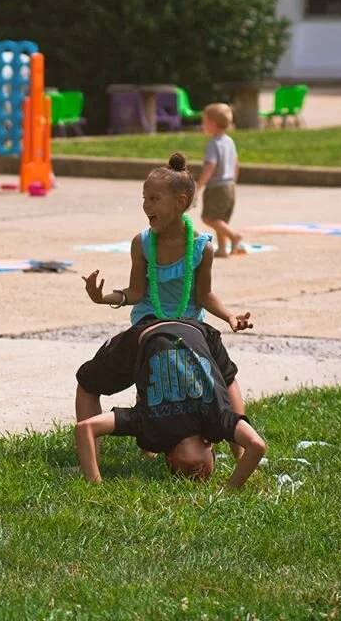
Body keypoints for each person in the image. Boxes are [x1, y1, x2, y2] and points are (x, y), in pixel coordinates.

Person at [77, 152, 251, 455]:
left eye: (154, 199)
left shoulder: (201, 247)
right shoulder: (142, 243)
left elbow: (204, 296)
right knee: (92, 380)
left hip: (190, 330)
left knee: (227, 379)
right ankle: (94, 452)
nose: (146, 206)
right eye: (144, 198)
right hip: (149, 329)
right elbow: (135, 292)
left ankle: (242, 452)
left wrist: (230, 317)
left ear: (180, 202)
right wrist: (102, 298)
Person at [75, 319, 266, 486]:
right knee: (227, 378)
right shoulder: (215, 420)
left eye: (184, 473)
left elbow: (86, 428)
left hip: (144, 337)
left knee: (87, 384)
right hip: (197, 331)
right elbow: (257, 445)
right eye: (200, 470)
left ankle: (91, 460)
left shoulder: (151, 426)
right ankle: (239, 454)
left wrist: (94, 481)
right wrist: (233, 485)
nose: (196, 477)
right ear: (209, 443)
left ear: (169, 457)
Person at [196, 102, 243, 258]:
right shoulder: (229, 141)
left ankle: (234, 236)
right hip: (229, 185)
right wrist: (233, 182)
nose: (202, 125)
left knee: (209, 218)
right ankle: (222, 248)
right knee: (221, 219)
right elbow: (236, 163)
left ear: (213, 124)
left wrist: (199, 186)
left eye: (204, 121)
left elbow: (210, 166)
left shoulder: (213, 144)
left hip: (216, 187)